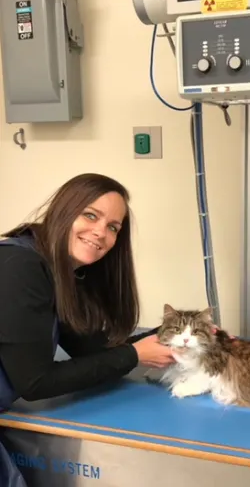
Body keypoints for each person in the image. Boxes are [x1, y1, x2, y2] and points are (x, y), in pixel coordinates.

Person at [0, 173, 175, 486]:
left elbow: (95, 352)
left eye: (113, 228)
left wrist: (174, 333)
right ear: (65, 211)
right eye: (90, 216)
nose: (101, 233)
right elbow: (36, 383)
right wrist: (135, 354)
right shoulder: (20, 266)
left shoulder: (55, 270)